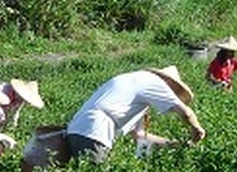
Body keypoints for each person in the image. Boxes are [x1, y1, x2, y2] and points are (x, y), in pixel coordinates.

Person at [65, 66, 205, 163]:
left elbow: (140, 136)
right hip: (96, 131)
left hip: (77, 129)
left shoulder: (135, 86)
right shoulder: (154, 82)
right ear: (167, 82)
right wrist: (196, 129)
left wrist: (176, 145)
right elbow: (186, 113)